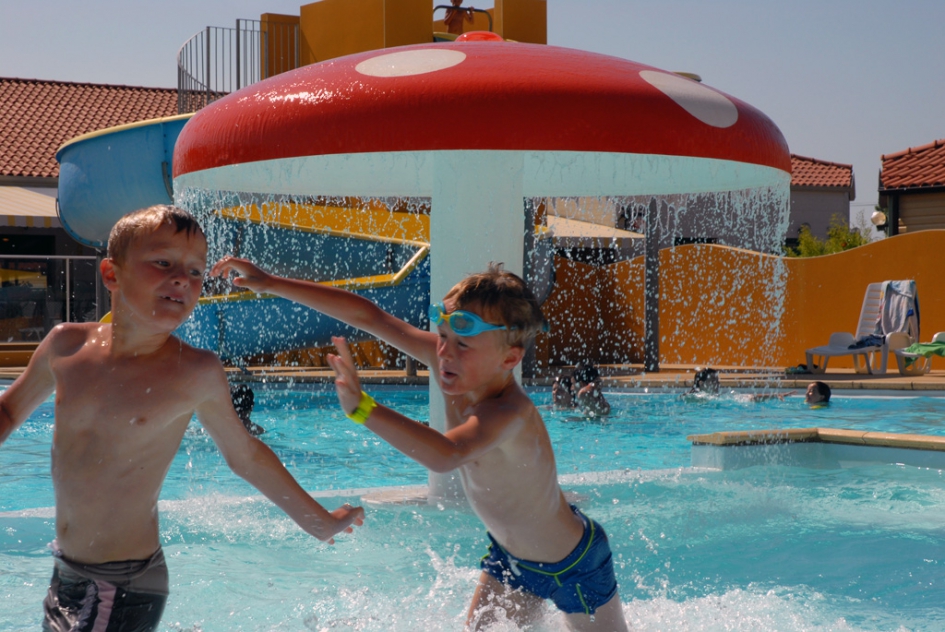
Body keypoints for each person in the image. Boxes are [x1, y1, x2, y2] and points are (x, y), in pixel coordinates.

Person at [210, 257, 629, 631]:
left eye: (462, 344)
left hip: (575, 564)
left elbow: (445, 454)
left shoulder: (508, 413)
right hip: (511, 559)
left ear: (509, 359)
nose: (444, 353)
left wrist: (364, 409)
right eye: (442, 335)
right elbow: (370, 317)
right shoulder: (450, 360)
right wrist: (272, 283)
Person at [0, 206, 363, 632]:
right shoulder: (65, 348)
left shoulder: (194, 371)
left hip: (124, 582)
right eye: (163, 263)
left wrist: (318, 522)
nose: (182, 279)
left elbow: (244, 455)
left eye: (195, 271)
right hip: (68, 570)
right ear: (112, 274)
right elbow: (9, 410)